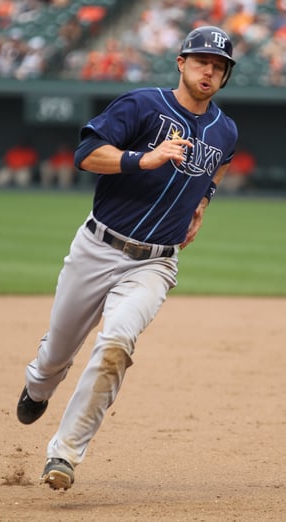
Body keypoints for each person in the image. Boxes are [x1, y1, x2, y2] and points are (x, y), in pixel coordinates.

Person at [17, 25, 238, 491]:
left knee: (116, 345)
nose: (210, 71)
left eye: (219, 67)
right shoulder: (141, 104)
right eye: (202, 62)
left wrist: (203, 202)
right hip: (97, 247)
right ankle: (38, 385)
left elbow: (217, 165)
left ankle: (65, 454)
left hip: (155, 263)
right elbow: (86, 154)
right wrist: (144, 159)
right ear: (181, 62)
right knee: (56, 355)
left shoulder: (225, 129)